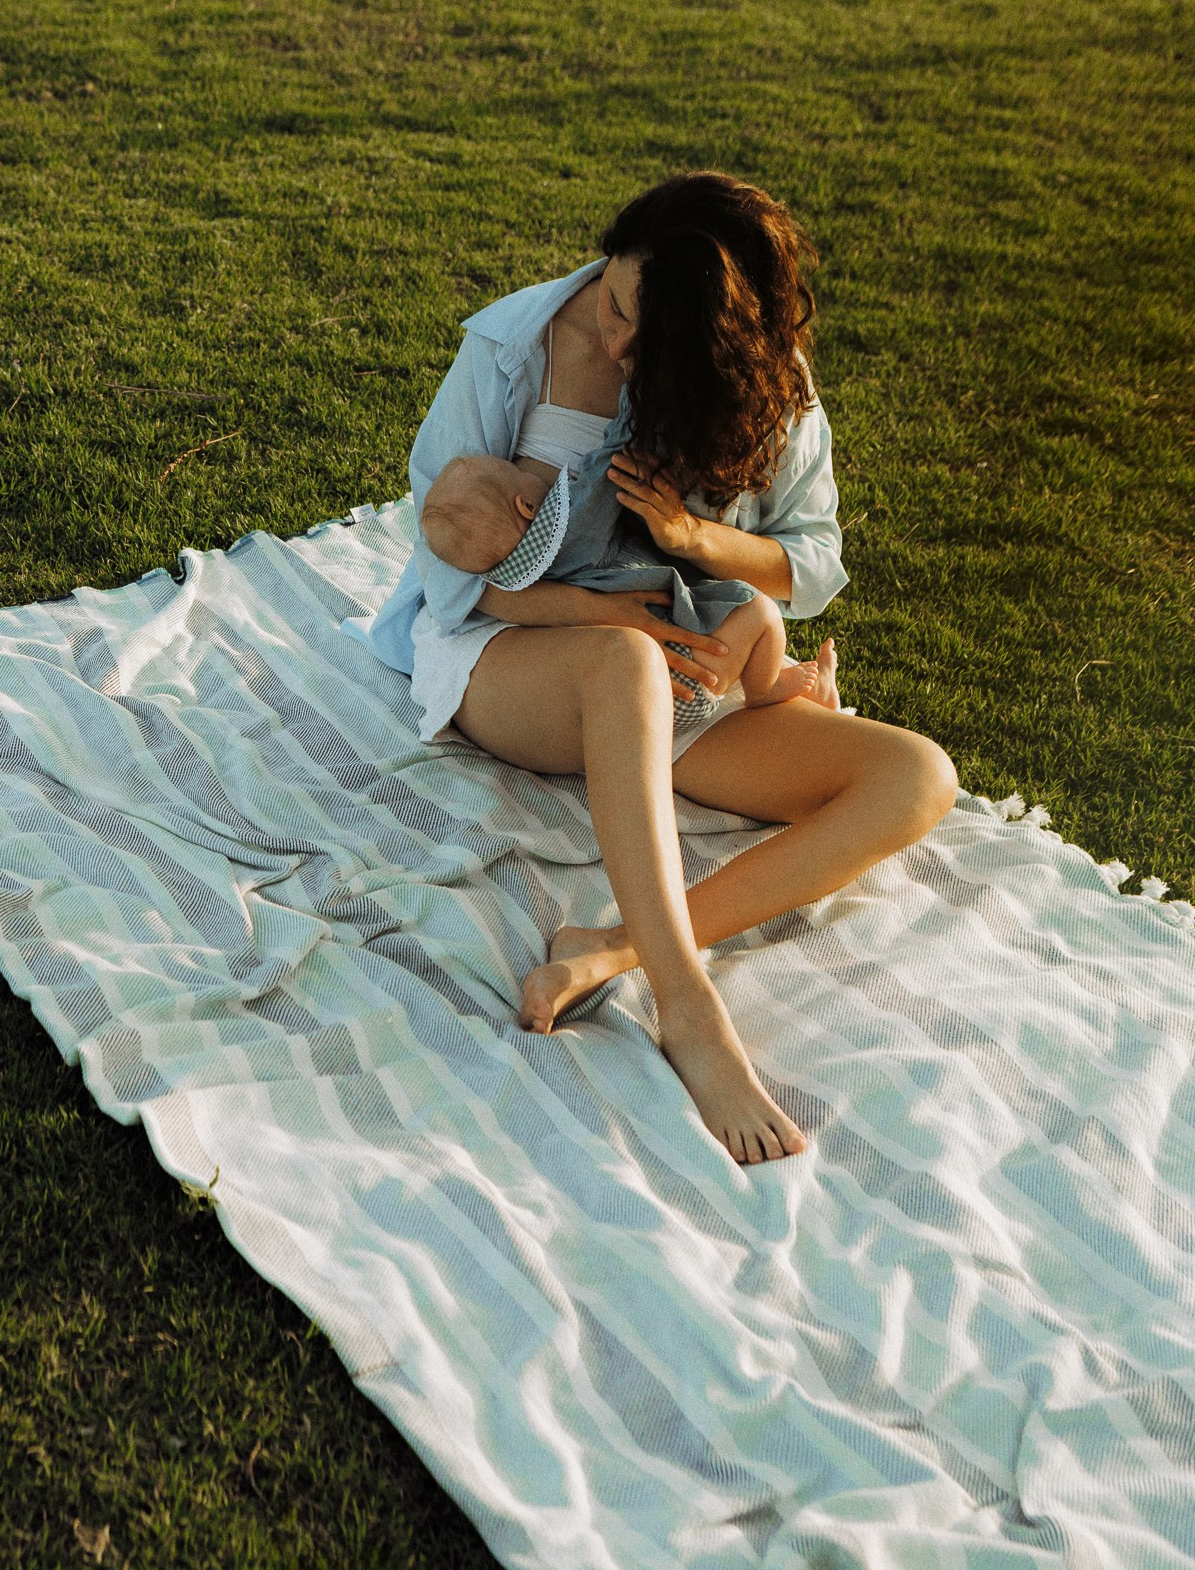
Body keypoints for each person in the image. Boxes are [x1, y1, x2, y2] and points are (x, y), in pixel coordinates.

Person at [346, 172, 958, 1165]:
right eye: (620, 304)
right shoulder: (512, 352)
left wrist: (698, 542)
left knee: (916, 775)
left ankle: (617, 945)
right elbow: (458, 586)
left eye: (651, 338)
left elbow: (812, 562)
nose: (621, 343)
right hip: (522, 664)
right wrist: (597, 614)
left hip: (686, 681)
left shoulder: (761, 385)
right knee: (624, 662)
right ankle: (689, 1009)